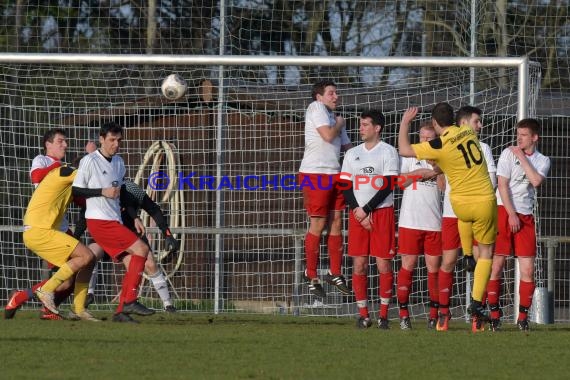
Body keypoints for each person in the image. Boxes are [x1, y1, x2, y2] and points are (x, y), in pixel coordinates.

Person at [398, 103, 497, 333]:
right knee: (487, 255)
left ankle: (468, 257)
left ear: (434, 123)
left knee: (464, 221)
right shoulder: (469, 133)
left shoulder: (439, 144)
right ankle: (475, 304)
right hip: (483, 202)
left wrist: (404, 122)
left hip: (460, 206)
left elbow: (404, 149)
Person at [5, 129, 97, 320]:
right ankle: (24, 298)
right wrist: (89, 158)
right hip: (45, 228)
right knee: (68, 275)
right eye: (60, 141)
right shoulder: (42, 160)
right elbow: (36, 177)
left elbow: (81, 196)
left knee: (76, 272)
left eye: (66, 141)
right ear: (48, 144)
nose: (65, 145)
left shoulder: (66, 170)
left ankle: (58, 308)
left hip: (60, 227)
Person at [72, 122, 154, 323]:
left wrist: (134, 217)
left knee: (132, 263)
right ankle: (130, 301)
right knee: (142, 250)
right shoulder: (89, 161)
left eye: (119, 140)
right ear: (101, 139)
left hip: (114, 221)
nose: (115, 144)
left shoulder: (119, 162)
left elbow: (122, 194)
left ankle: (120, 313)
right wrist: (102, 192)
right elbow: (76, 190)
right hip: (99, 221)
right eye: (111, 140)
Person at [434, 105, 497, 331]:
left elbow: (493, 181)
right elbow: (441, 185)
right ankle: (443, 313)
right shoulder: (446, 145)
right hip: (453, 212)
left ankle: (476, 314)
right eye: (476, 121)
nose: (480, 126)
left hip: (477, 211)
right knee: (449, 261)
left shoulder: (484, 148)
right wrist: (436, 169)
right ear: (463, 123)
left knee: (482, 259)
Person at [77, 179, 180, 312]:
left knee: (150, 264)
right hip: (108, 232)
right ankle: (88, 294)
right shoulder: (99, 188)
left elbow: (153, 209)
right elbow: (84, 216)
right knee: (89, 255)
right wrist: (75, 237)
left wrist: (167, 234)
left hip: (131, 233)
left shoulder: (132, 188)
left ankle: (168, 305)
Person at [486, 119, 550, 332]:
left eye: (524, 135)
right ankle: (495, 315)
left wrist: (522, 156)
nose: (519, 138)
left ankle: (523, 318)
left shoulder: (542, 160)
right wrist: (511, 213)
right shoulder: (507, 153)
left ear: (534, 137)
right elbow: (502, 184)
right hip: (504, 211)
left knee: (528, 269)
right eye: (518, 134)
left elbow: (536, 181)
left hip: (526, 217)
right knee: (496, 265)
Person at [340, 110, 399, 329]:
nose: (361, 128)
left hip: (381, 213)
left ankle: (383, 315)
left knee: (383, 264)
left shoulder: (389, 151)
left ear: (377, 128)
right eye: (360, 124)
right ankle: (363, 315)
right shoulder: (352, 153)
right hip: (358, 216)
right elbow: (345, 185)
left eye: (365, 125)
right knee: (359, 265)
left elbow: (388, 184)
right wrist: (358, 210)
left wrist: (367, 209)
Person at [22, 163, 97, 321]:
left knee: (88, 261)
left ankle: (78, 309)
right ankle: (45, 290)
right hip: (40, 230)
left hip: (41, 231)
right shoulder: (65, 171)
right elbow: (91, 180)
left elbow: (87, 199)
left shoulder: (68, 185)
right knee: (86, 256)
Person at [298, 79, 352, 298]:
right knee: (318, 224)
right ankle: (311, 275)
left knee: (337, 221)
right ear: (319, 97)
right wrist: (339, 124)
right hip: (315, 174)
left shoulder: (334, 117)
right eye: (331, 93)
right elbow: (328, 135)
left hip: (334, 173)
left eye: (336, 93)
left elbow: (348, 148)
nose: (335, 96)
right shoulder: (316, 108)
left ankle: (335, 272)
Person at [396, 124, 445, 330]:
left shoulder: (442, 158)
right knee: (408, 266)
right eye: (422, 137)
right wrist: (422, 172)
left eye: (429, 138)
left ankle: (434, 316)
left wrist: (436, 169)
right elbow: (400, 182)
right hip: (410, 221)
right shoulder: (410, 156)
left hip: (434, 223)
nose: (425, 142)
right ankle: (404, 315)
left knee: (433, 269)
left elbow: (443, 188)